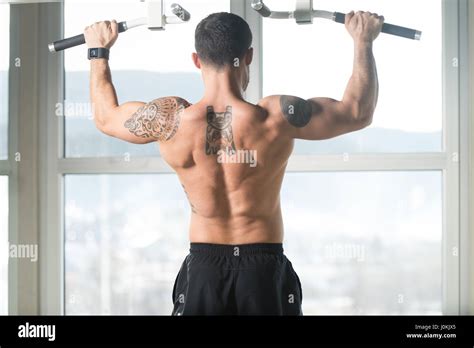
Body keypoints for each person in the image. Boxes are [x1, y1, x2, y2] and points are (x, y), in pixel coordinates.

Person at [84, 10, 384, 315]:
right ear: (248, 56)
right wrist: (363, 40)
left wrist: (98, 51)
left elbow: (106, 117)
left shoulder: (171, 120)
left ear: (197, 60)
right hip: (262, 270)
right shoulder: (275, 119)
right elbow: (357, 112)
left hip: (205, 271)